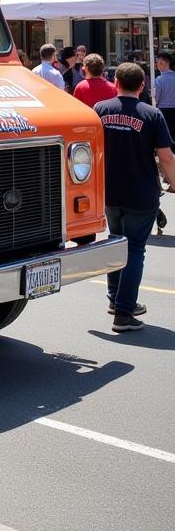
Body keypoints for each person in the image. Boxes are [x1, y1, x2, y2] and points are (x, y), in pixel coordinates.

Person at [95, 62, 175, 333]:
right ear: (142, 86)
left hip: (110, 190)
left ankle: (115, 299)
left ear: (115, 81)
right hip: (140, 191)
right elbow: (166, 157)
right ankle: (124, 312)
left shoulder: (100, 110)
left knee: (115, 245)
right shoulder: (152, 114)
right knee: (134, 250)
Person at [153, 51, 175, 148]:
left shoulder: (159, 80)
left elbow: (156, 98)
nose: (156, 64)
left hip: (164, 111)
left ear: (163, 63)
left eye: (157, 62)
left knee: (166, 139)